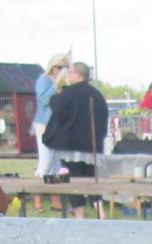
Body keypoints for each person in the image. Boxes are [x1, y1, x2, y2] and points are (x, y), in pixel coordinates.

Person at [43, 61, 109, 217]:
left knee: (73, 180)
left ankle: (79, 216)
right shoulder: (97, 95)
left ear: (79, 74)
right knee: (92, 181)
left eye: (71, 72)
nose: (68, 75)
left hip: (71, 146)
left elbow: (57, 111)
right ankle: (100, 212)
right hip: (92, 147)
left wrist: (49, 137)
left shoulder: (68, 94)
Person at [33, 53, 69, 179]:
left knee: (56, 165)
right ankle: (36, 191)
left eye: (67, 67)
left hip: (58, 125)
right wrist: (56, 84)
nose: (64, 71)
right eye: (61, 67)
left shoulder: (65, 82)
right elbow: (44, 100)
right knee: (45, 163)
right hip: (45, 124)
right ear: (53, 68)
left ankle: (55, 197)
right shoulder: (43, 80)